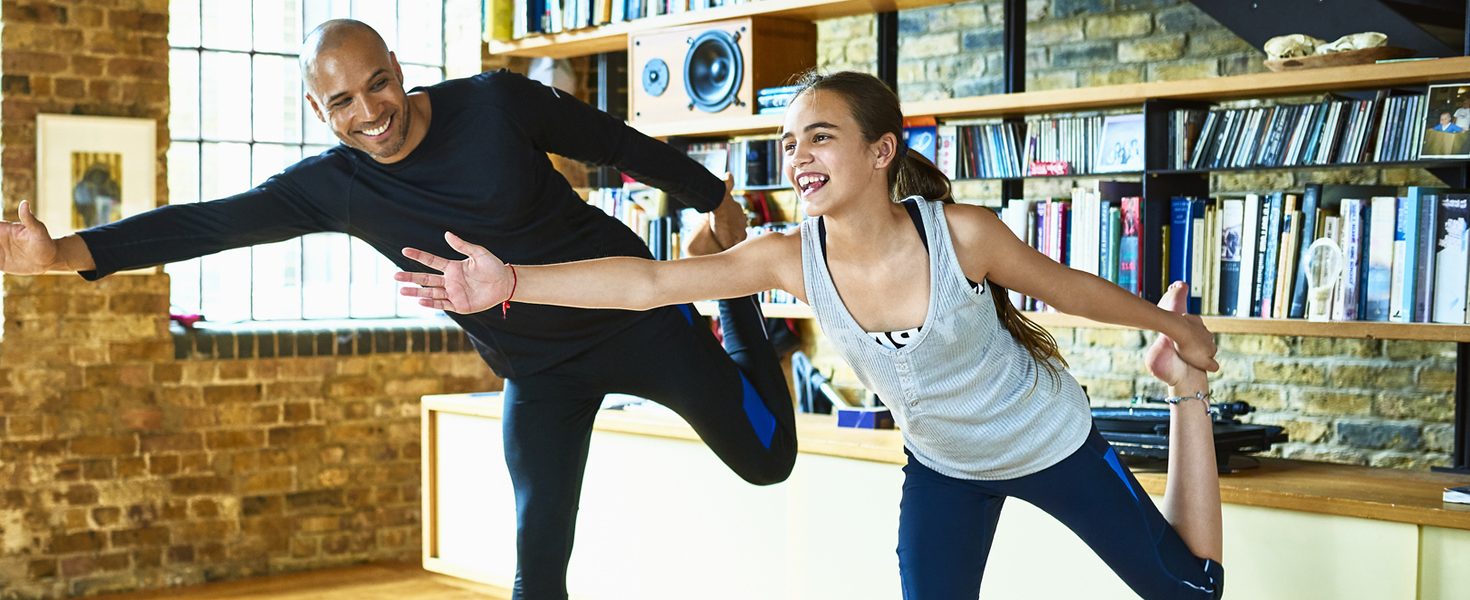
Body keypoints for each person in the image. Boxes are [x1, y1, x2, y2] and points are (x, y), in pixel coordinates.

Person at [0, 19, 796, 600]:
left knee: (768, 463)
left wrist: (712, 197)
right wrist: (61, 257)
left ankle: (739, 312)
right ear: (319, 109)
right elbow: (207, 225)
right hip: (538, 371)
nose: (369, 113)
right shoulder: (336, 188)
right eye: (342, 101)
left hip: (637, 312)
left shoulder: (495, 104)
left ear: (398, 72)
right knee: (538, 554)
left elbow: (614, 144)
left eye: (378, 85)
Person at [396, 70, 1228, 599]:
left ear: (881, 152)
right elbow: (650, 282)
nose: (798, 155)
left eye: (820, 136)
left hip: (1050, 444)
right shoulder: (791, 260)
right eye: (789, 142)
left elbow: (1066, 288)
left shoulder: (961, 235)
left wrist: (1175, 330)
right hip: (945, 472)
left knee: (1193, 593)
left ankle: (1182, 392)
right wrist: (512, 284)